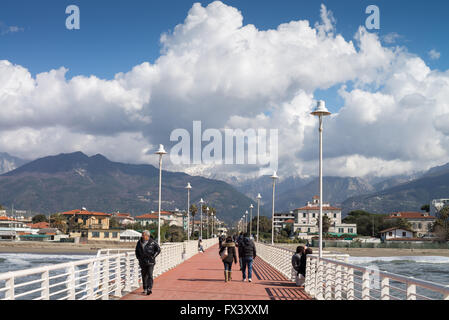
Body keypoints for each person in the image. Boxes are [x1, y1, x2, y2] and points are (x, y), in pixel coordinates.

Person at [135, 230, 161, 295]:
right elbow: (136, 251)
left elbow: (158, 250)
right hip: (142, 262)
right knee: (144, 276)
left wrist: (153, 256)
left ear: (147, 236)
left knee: (150, 275)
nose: (142, 236)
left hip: (150, 262)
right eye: (142, 235)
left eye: (143, 235)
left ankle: (149, 288)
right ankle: (145, 288)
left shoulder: (152, 242)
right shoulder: (139, 242)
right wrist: (138, 258)